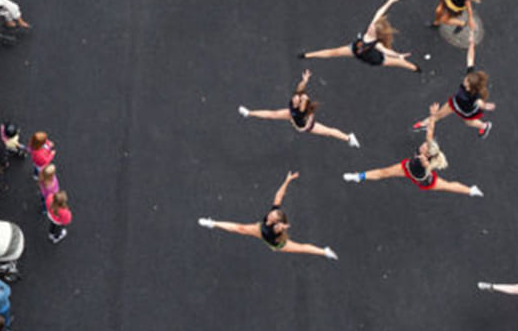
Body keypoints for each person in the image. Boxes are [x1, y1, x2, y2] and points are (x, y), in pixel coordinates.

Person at [341, 103, 486, 197]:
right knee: (383, 172)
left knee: (448, 186)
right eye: (424, 144)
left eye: (424, 147)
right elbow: (430, 129)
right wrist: (433, 114)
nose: (422, 145)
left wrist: (424, 162)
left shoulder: (425, 161)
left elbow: (427, 166)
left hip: (423, 180)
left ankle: (471, 190)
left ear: (427, 154)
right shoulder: (427, 147)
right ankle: (358, 177)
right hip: (407, 168)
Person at [197, 171, 338, 257]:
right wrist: (287, 181)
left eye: (274, 216)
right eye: (273, 213)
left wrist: (282, 227)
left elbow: (279, 228)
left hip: (277, 245)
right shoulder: (271, 215)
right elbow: (279, 196)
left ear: (277, 223)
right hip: (260, 231)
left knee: (301, 248)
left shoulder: (277, 229)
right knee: (239, 228)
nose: (270, 215)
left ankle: (324, 251)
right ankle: (212, 223)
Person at [301, 0, 421, 72]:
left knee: (398, 63)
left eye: (371, 29)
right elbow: (379, 12)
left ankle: (414, 68)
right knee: (333, 52)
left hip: (373, 59)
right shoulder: (373, 24)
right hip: (354, 49)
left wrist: (398, 55)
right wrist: (390, 1)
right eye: (371, 26)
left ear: (376, 34)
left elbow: (387, 51)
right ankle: (308, 55)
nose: (369, 27)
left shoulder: (376, 44)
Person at [237, 69, 360, 144]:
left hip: (306, 126)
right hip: (293, 116)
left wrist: (303, 102)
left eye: (298, 99)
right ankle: (248, 113)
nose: (295, 97)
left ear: (300, 104)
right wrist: (305, 80)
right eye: (297, 97)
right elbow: (300, 89)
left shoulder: (301, 110)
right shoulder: (297, 99)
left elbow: (302, 104)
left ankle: (349, 138)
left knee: (329, 132)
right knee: (272, 114)